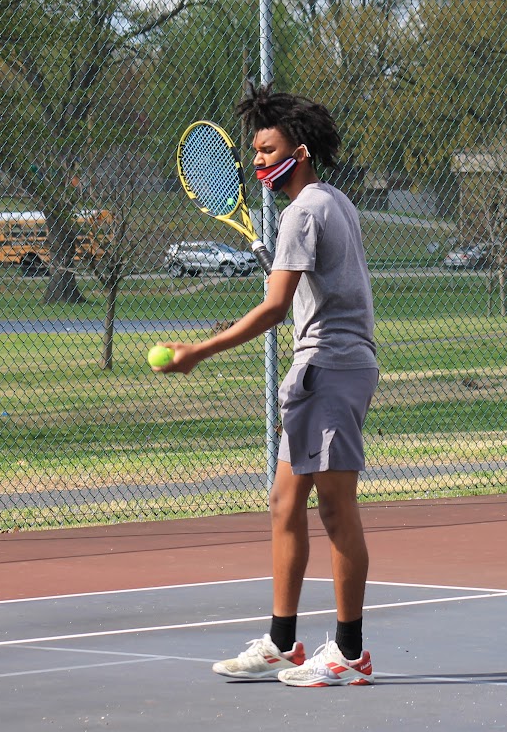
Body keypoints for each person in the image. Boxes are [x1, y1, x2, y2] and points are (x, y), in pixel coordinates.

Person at [153, 86, 378, 687]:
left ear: (298, 151)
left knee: (334, 508)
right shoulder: (331, 202)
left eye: (266, 149)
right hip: (320, 370)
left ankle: (351, 652)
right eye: (251, 151)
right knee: (285, 505)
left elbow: (275, 307)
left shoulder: (304, 212)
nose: (254, 162)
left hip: (331, 366)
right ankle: (283, 642)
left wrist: (199, 350)